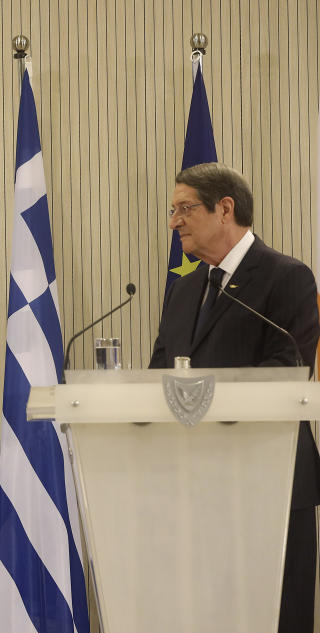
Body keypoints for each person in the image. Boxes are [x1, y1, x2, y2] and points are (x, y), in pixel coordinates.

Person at [150, 162, 320, 632]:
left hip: (270, 478)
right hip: (194, 484)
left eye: (184, 208)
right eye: (172, 210)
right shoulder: (184, 292)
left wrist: (201, 396)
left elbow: (287, 373)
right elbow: (157, 376)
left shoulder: (288, 277)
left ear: (225, 209)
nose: (173, 222)